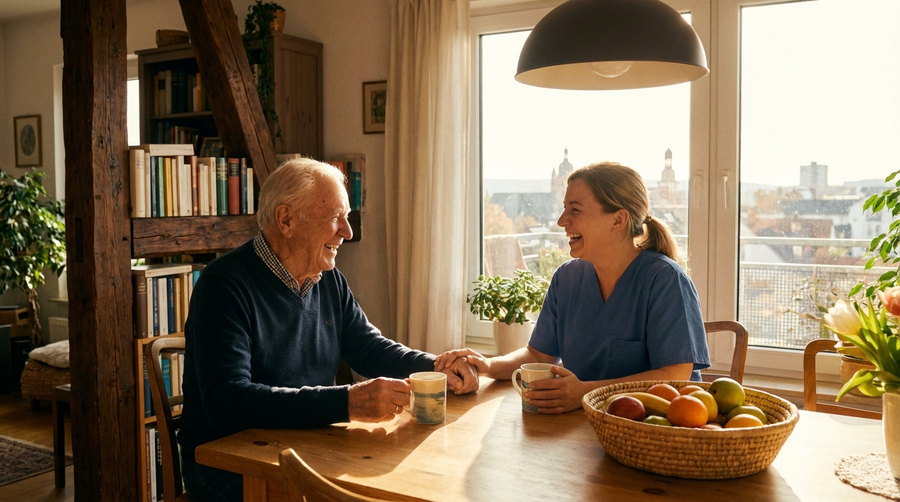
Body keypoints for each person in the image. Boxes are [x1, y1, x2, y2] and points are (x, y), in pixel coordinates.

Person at [178, 158, 479, 502]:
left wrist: (440, 368)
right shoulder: (224, 285)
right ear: (286, 220)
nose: (347, 232)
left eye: (346, 217)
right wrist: (348, 402)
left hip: (309, 445)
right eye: (336, 218)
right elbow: (227, 401)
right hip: (230, 467)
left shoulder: (327, 278)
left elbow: (369, 348)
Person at [436, 161, 709, 414]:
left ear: (618, 220)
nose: (561, 221)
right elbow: (538, 354)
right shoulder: (567, 278)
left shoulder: (664, 280)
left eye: (575, 210)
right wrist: (488, 365)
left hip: (654, 428)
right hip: (584, 426)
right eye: (564, 208)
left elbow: (675, 374)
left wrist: (584, 393)